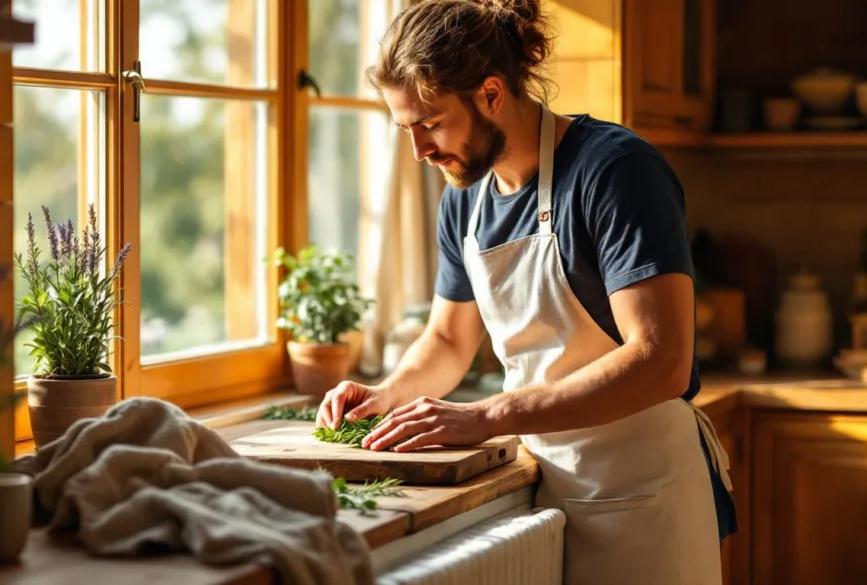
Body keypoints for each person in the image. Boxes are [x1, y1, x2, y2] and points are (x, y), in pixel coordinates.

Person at [314, 1, 738, 583]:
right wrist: (386, 397)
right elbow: (447, 338)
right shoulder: (464, 198)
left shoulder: (614, 171)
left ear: (491, 94)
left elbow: (661, 361)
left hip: (644, 497)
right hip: (546, 486)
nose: (419, 150)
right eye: (405, 128)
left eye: (431, 123)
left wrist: (484, 415)